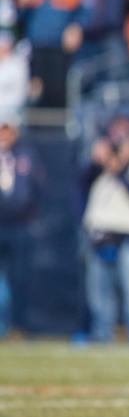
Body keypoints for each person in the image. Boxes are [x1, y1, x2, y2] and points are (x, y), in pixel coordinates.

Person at [80, 117, 129, 346]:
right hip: (100, 235)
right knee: (99, 291)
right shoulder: (101, 167)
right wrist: (97, 162)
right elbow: (79, 185)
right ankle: (102, 334)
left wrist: (120, 169)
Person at [0, 110, 42, 338]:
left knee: (20, 279)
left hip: (19, 226)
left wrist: (30, 215)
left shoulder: (26, 155)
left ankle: (18, 327)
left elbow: (36, 189)